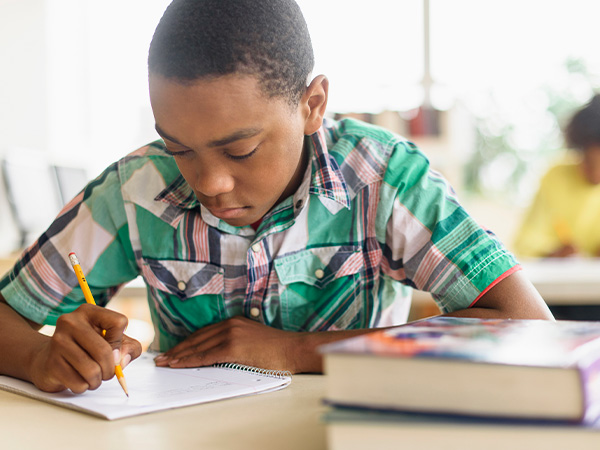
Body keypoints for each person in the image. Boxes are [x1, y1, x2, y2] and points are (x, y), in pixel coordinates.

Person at [0, 0, 553, 395]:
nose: (208, 183)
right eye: (180, 148)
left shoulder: (383, 179)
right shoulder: (135, 190)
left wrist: (295, 350)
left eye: (240, 151)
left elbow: (528, 327)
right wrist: (38, 355)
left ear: (312, 104)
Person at [513, 94, 600, 258]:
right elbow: (525, 245)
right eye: (589, 163)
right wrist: (554, 253)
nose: (596, 174)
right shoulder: (556, 177)